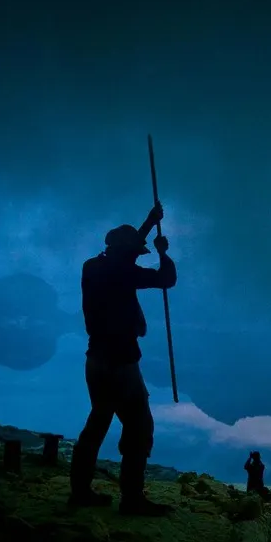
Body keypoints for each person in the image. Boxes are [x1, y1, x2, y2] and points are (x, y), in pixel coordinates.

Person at [68, 200, 177, 516]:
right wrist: (162, 251)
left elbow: (125, 252)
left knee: (97, 423)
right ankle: (132, 499)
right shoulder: (125, 272)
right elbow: (166, 279)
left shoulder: (93, 266)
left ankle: (80, 491)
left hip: (96, 360)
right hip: (122, 364)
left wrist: (148, 220)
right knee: (139, 427)